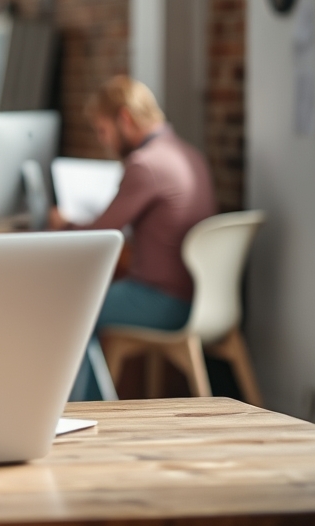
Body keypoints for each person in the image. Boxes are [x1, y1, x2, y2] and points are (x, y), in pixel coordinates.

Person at [51, 75, 217, 400]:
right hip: (203, 298)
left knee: (68, 306)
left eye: (103, 131)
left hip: (164, 302)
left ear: (124, 119)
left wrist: (63, 224)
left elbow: (98, 235)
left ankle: (88, 412)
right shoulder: (189, 153)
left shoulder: (146, 164)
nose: (104, 142)